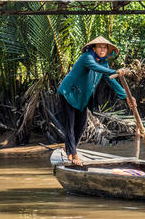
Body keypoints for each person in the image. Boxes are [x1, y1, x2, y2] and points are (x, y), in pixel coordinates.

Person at [57, 36, 136, 166]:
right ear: (93, 48)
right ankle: (74, 154)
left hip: (82, 97)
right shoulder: (87, 57)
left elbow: (111, 80)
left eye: (104, 47)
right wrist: (114, 71)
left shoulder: (104, 63)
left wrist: (126, 95)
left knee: (81, 125)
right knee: (70, 125)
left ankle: (70, 149)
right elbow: (95, 67)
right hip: (69, 93)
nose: (102, 49)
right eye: (99, 46)